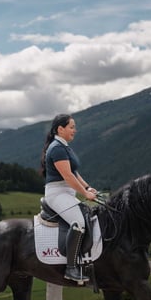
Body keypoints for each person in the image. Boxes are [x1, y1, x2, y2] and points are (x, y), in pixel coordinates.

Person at [40, 114, 98, 284]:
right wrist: (85, 194)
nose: (75, 130)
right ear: (60, 129)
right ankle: (71, 268)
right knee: (78, 223)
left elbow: (74, 172)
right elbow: (67, 176)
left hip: (66, 193)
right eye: (72, 127)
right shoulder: (57, 148)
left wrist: (87, 187)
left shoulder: (64, 147)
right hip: (57, 193)